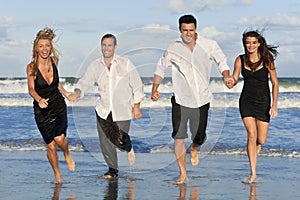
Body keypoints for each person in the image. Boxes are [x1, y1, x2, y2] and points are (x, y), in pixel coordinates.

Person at [151, 14, 233, 184]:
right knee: (179, 137)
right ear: (180, 29)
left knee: (199, 136)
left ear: (196, 29)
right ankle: (183, 173)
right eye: (184, 30)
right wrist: (155, 88)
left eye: (191, 30)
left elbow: (221, 61)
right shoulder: (173, 47)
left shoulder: (209, 45)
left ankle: (195, 148)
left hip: (202, 99)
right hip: (181, 99)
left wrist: (226, 76)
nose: (188, 33)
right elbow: (161, 67)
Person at [73, 33, 144, 179]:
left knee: (119, 141)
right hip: (103, 109)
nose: (106, 48)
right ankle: (113, 170)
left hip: (122, 109)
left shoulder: (125, 63)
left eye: (109, 45)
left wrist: (136, 106)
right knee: (105, 142)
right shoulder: (95, 65)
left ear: (115, 47)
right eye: (104, 45)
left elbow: (137, 85)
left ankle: (128, 147)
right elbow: (85, 81)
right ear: (101, 46)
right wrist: (79, 91)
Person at [26, 27, 75, 184]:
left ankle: (66, 153)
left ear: (50, 47)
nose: (44, 49)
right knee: (51, 146)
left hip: (58, 104)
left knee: (60, 140)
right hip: (42, 110)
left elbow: (56, 83)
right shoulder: (31, 67)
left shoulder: (55, 61)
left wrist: (66, 93)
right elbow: (31, 89)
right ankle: (58, 176)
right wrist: (39, 99)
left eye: (47, 45)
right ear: (36, 48)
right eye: (41, 46)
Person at [229, 30, 278, 184]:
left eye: (253, 42)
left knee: (261, 140)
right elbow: (235, 78)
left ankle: (256, 147)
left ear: (258, 44)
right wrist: (230, 81)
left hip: (263, 101)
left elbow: (275, 83)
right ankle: (253, 173)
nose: (250, 45)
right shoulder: (240, 59)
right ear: (245, 43)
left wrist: (274, 105)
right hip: (246, 101)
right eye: (247, 42)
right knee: (251, 134)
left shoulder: (267, 59)